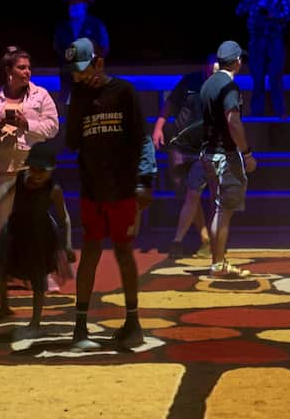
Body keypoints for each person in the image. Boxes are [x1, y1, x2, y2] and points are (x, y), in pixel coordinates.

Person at [65, 38, 155, 350]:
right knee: (89, 251)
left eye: (83, 69)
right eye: (74, 72)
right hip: (91, 187)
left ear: (99, 63)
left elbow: (142, 138)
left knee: (123, 251)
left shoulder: (124, 92)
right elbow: (72, 142)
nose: (79, 76)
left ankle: (133, 321)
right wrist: (77, 99)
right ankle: (80, 325)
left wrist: (145, 179)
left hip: (121, 188)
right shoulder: (77, 96)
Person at [0, 47, 59, 293]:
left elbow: (53, 127)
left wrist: (27, 124)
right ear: (8, 71)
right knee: (0, 224)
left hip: (30, 170)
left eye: (28, 67)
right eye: (21, 67)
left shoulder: (40, 95)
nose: (27, 72)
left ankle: (39, 274)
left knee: (34, 222)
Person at [0, 141, 74, 331]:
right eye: (34, 168)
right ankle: (4, 306)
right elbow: (9, 190)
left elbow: (65, 218)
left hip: (39, 235)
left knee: (37, 277)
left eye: (43, 170)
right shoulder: (21, 177)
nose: (37, 174)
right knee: (1, 267)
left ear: (52, 170)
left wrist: (67, 245)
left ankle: (35, 319)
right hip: (15, 230)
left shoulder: (54, 190)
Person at [199, 41, 257, 278]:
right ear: (237, 62)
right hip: (225, 155)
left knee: (217, 208)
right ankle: (218, 263)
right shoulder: (229, 87)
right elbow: (233, 121)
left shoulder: (207, 84)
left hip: (208, 153)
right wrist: (247, 154)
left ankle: (218, 260)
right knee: (224, 212)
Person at [153, 54, 215, 258]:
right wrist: (159, 127)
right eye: (210, 68)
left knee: (193, 192)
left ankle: (177, 241)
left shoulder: (224, 88)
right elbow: (170, 103)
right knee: (186, 193)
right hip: (179, 146)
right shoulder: (190, 80)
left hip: (202, 148)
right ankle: (204, 238)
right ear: (205, 67)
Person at [235, 0, 290, 117]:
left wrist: (270, 11)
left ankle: (280, 112)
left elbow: (289, 13)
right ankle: (257, 113)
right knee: (257, 77)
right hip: (256, 39)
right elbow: (239, 11)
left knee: (276, 75)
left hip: (275, 38)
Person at [52, 0, 109, 69]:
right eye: (71, 4)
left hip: (91, 72)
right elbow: (57, 49)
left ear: (85, 6)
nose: (72, 7)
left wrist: (89, 60)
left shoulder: (96, 24)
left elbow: (104, 48)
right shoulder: (62, 27)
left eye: (76, 3)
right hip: (68, 73)